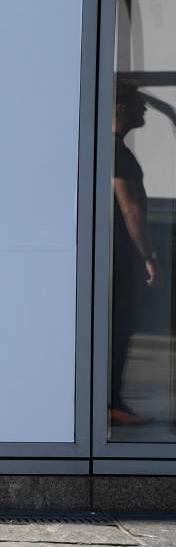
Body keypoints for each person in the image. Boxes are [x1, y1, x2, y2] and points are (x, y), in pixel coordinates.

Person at [110, 85, 162, 426]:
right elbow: (130, 210)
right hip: (120, 254)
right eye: (140, 106)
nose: (144, 112)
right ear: (120, 106)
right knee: (118, 327)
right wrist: (148, 254)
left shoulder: (108, 148)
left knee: (117, 327)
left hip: (112, 253)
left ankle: (109, 400)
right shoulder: (115, 152)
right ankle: (110, 401)